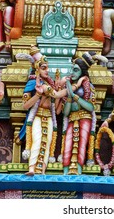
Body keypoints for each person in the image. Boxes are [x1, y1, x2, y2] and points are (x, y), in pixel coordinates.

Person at [17, 46, 68, 176]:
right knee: (38, 140)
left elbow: (56, 111)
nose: (47, 70)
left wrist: (60, 88)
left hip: (50, 117)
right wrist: (67, 89)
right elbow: (25, 106)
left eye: (47, 68)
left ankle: (42, 171)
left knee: (47, 142)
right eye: (44, 68)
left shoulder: (50, 86)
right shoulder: (34, 83)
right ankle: (32, 169)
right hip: (37, 116)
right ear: (37, 69)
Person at [57, 52, 107, 175]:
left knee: (81, 144)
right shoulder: (70, 88)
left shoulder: (87, 86)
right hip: (71, 118)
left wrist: (75, 97)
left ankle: (78, 171)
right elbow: (66, 112)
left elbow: (90, 107)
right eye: (71, 69)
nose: (72, 72)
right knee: (68, 144)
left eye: (75, 70)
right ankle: (65, 173)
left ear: (82, 72)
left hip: (85, 118)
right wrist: (69, 95)